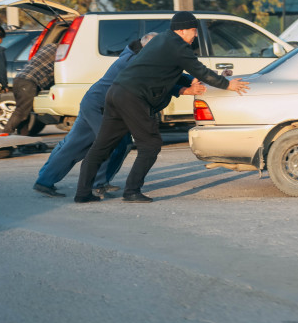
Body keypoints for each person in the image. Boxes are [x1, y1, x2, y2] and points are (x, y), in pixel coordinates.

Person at [74, 11, 250, 204]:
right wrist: (227, 84)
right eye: (193, 30)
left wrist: (192, 83)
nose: (196, 34)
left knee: (102, 146)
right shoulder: (178, 46)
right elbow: (199, 69)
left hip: (116, 92)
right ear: (182, 30)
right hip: (133, 97)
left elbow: (174, 72)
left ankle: (82, 193)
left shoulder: (162, 40)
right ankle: (131, 191)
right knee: (150, 144)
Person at [33, 32, 207, 198]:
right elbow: (156, 81)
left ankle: (54, 181)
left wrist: (195, 79)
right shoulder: (133, 62)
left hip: (104, 104)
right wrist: (183, 90)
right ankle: (93, 184)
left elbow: (171, 74)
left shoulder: (143, 57)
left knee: (111, 144)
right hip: (99, 105)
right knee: (107, 144)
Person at [1, 38, 58, 134]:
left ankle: (23, 137)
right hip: (28, 82)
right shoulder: (61, 52)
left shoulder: (49, 46)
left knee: (25, 112)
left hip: (19, 79)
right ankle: (5, 133)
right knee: (22, 111)